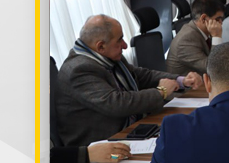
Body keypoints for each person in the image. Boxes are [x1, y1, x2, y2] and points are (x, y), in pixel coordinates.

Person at [56, 15, 202, 148]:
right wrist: (161, 92)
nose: (125, 45)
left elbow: (141, 75)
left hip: (130, 127)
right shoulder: (79, 69)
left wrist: (181, 80)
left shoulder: (107, 57)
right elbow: (117, 104)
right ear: (100, 46)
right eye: (119, 40)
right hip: (100, 144)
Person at [166, 0, 224, 76]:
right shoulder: (186, 40)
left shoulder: (201, 32)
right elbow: (214, 68)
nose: (221, 23)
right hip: (187, 84)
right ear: (203, 19)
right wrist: (216, 36)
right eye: (218, 19)